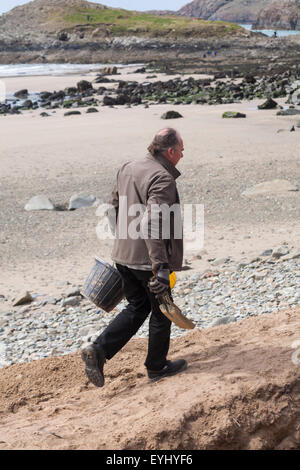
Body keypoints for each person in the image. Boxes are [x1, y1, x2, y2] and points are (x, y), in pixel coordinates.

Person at [81, 128, 187, 386]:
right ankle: (157, 367)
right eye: (181, 150)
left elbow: (111, 206)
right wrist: (160, 267)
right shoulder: (162, 178)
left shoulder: (128, 166)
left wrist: (123, 238)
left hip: (123, 256)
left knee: (137, 306)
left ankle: (99, 350)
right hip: (148, 260)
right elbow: (153, 223)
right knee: (162, 311)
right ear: (170, 151)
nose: (183, 155)